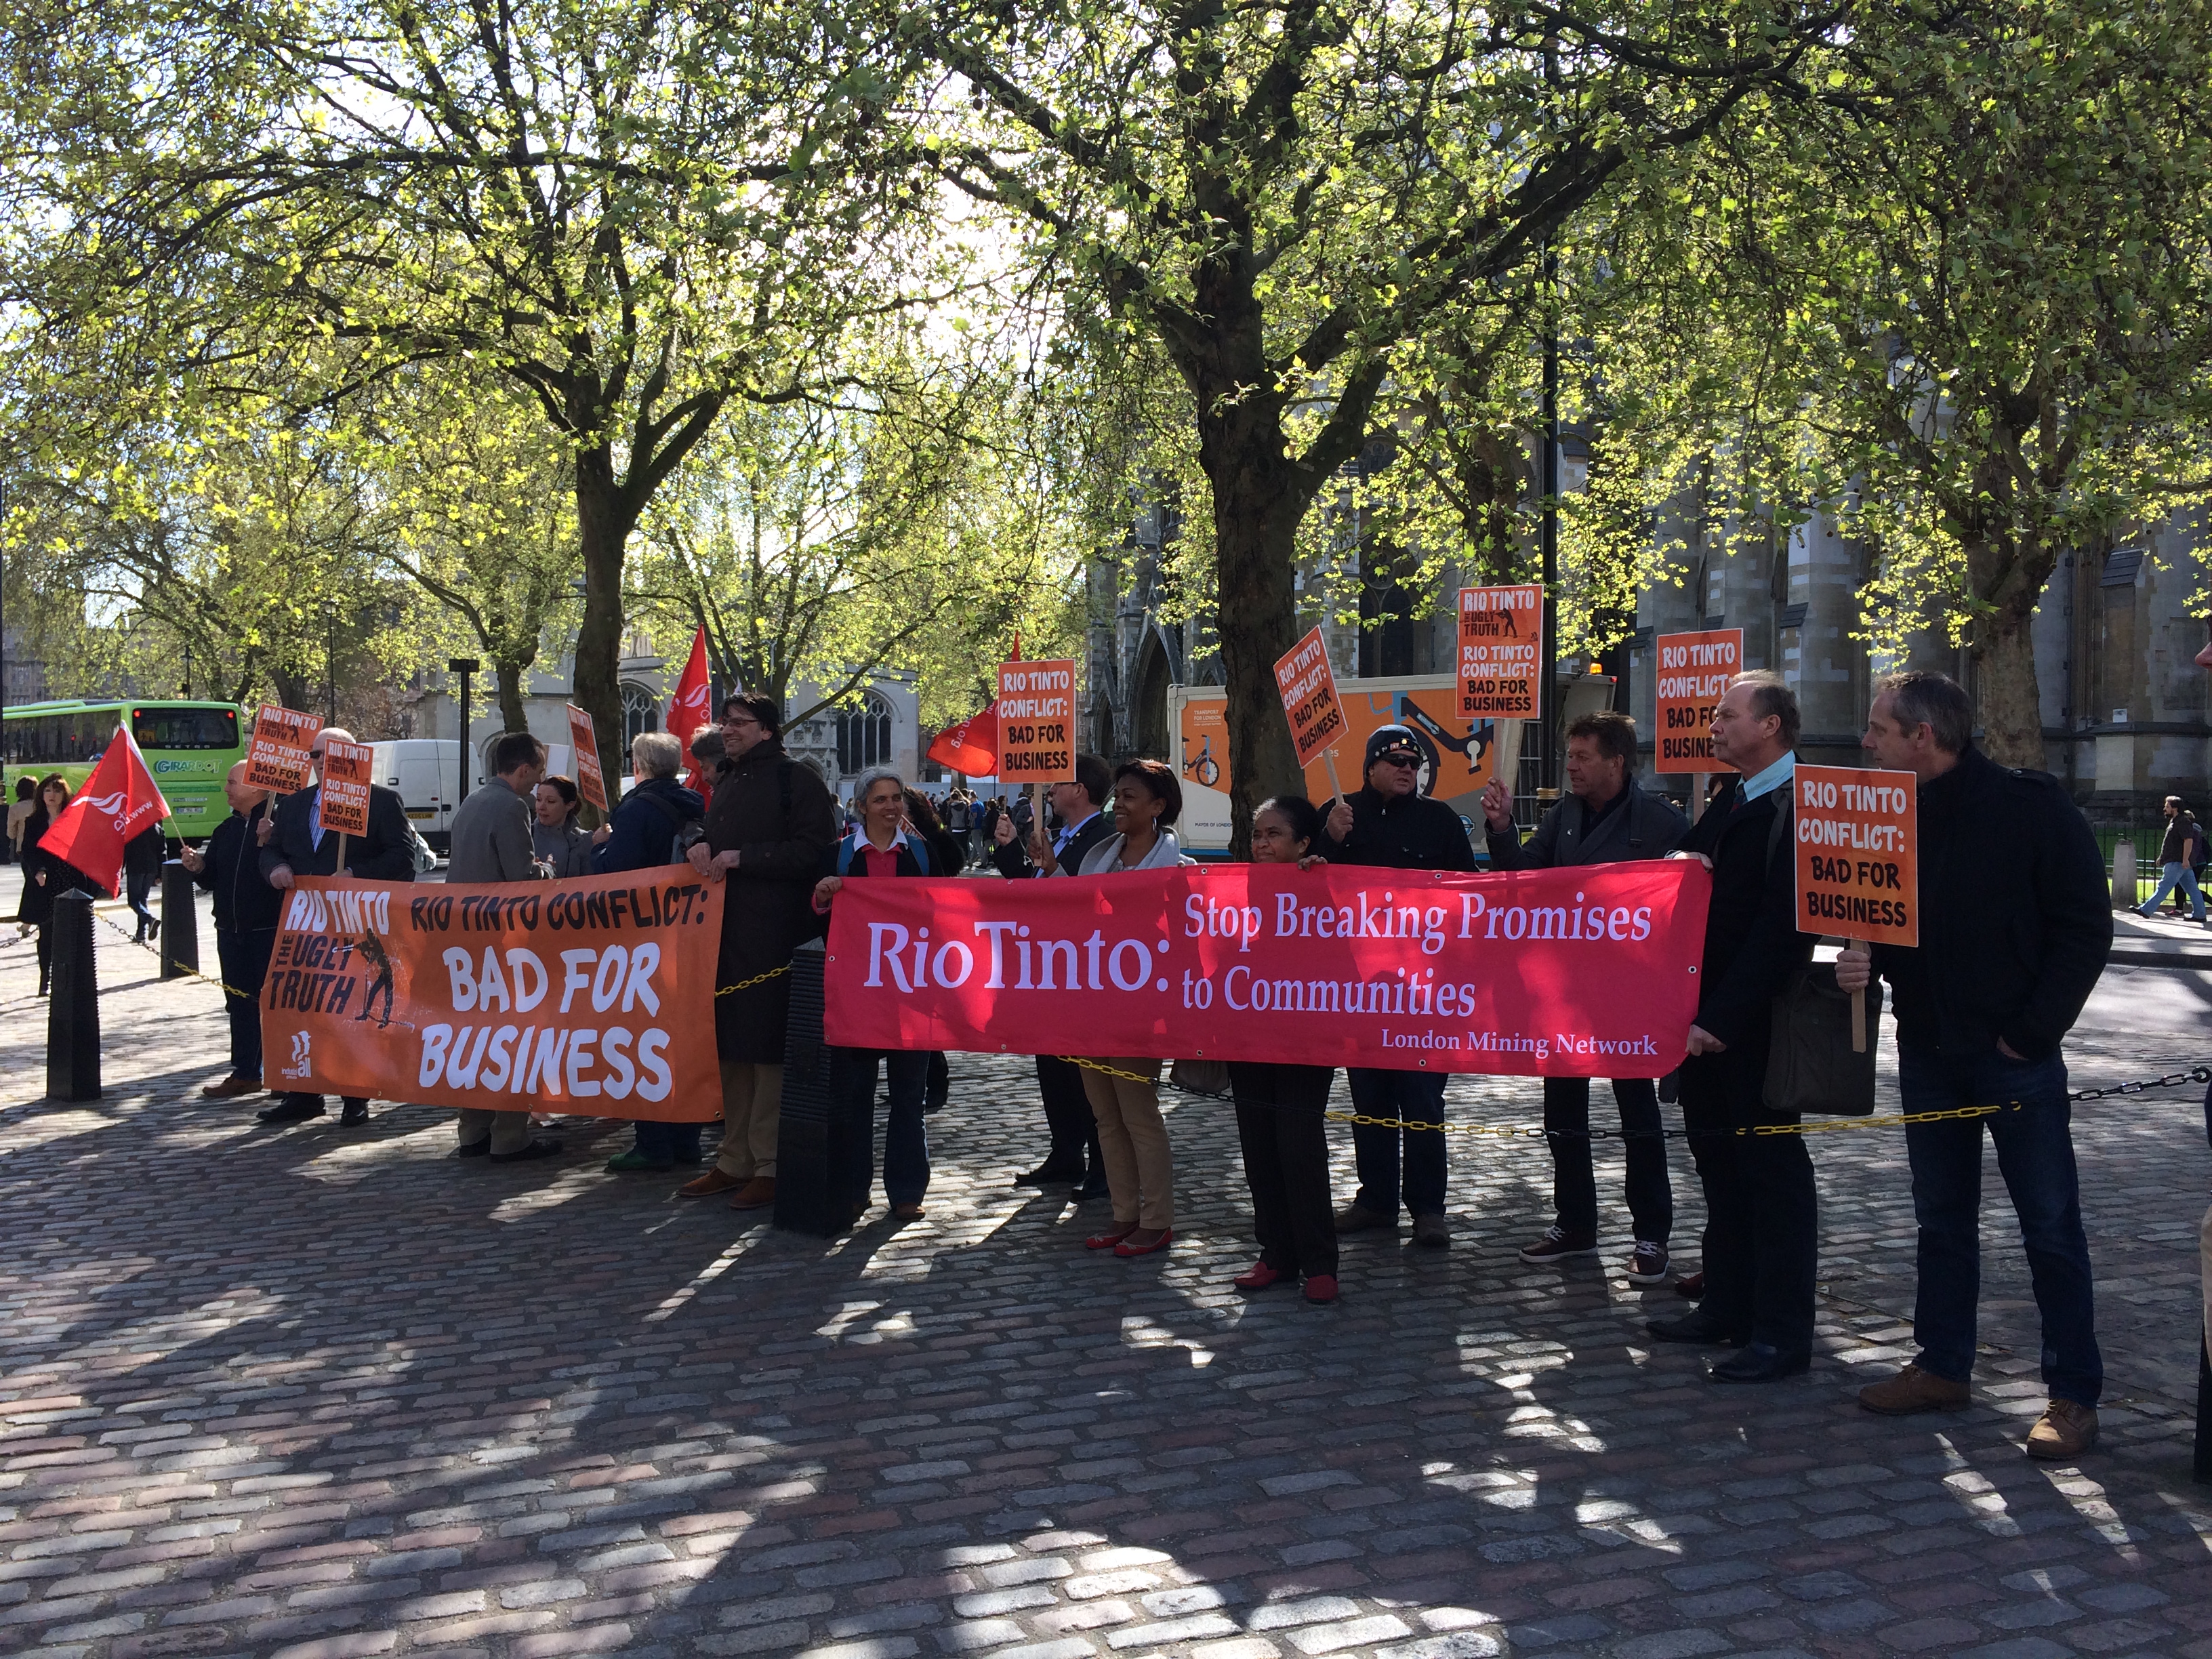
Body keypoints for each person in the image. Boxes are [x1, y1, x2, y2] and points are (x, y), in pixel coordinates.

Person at [1837, 670, 2114, 1458]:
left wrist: (2028, 1035)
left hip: (2013, 1059)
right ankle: (1943, 1365)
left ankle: (2071, 1395)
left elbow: (2085, 931)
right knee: (1941, 1224)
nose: (1867, 741)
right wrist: (1863, 963)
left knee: (2051, 1229)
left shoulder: (2031, 807)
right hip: (1929, 1052)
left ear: (1923, 737)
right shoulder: (1887, 818)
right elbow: (1883, 926)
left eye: (1879, 729)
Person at [1647, 672, 1817, 1383]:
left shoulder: (1800, 803)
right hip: (1705, 1024)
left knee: (1772, 1178)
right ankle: (1727, 1304)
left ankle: (1780, 1333)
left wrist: (1722, 1017)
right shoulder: (1732, 794)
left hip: (1754, 1027)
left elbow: (1783, 928)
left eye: (1727, 716)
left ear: (1771, 725)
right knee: (1719, 1169)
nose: (1713, 725)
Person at [1483, 710, 1687, 1282]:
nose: (1570, 766)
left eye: (1581, 757)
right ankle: (1574, 1223)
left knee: (1638, 1117)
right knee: (1562, 1115)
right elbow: (1523, 881)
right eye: (1569, 756)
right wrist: (1502, 830)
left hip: (1631, 998)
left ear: (1616, 762)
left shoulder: (1661, 823)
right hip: (1567, 998)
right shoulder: (1563, 816)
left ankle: (1651, 1235)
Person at [678, 693, 839, 1213]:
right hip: (725, 937)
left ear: (767, 730)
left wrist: (746, 858)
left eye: (739, 723)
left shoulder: (798, 781)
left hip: (775, 937)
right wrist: (698, 841)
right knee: (731, 1047)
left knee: (769, 1053)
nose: (727, 730)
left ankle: (769, 1164)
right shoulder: (726, 779)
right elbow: (714, 833)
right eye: (724, 722)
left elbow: (814, 849)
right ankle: (733, 1159)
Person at [1319, 724, 1477, 1248]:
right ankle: (1376, 1200)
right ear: (1369, 769)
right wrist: (1329, 841)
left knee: (1424, 1103)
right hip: (1362, 991)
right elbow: (1309, 896)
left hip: (1424, 994)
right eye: (1395, 762)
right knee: (1370, 1100)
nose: (1407, 769)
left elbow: (1471, 899)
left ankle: (1429, 1208)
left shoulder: (1440, 822)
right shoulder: (1340, 816)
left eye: (1413, 763)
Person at [1042, 759, 1192, 1256]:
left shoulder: (1180, 871)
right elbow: (1073, 917)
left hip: (1139, 1010)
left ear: (1158, 807)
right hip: (1093, 1007)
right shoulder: (1098, 858)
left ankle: (1158, 1219)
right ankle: (1124, 1214)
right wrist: (1048, 869)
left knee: (1139, 1115)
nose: (1118, 805)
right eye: (1118, 796)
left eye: (1130, 796)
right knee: (1105, 1117)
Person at [812, 767, 938, 1225]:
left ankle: (907, 1191)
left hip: (911, 995)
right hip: (858, 996)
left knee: (909, 1097)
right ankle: (853, 1188)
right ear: (862, 806)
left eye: (896, 798)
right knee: (855, 1098)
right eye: (881, 799)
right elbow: (815, 921)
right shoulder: (838, 855)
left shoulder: (922, 854)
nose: (890, 807)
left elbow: (944, 914)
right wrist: (823, 898)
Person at [1229, 795, 1340, 1304]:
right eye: (1257, 834)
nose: (1262, 844)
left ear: (1303, 843)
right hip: (1249, 1032)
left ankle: (1319, 1262)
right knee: (1258, 1147)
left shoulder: (1321, 884)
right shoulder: (1235, 888)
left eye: (1274, 834)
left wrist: (1321, 883)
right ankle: (1276, 1252)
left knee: (1298, 1146)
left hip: (1304, 1037)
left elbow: (1343, 948)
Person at [994, 754, 1117, 1199]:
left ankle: (1105, 1165)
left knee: (1089, 1081)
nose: (1049, 792)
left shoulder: (1105, 840)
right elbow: (1032, 892)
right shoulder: (1060, 836)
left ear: (1079, 790)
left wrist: (1051, 869)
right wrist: (1005, 849)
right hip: (1050, 973)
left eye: (1058, 784)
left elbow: (1087, 900)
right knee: (1055, 1073)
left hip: (1083, 975)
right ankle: (1066, 1153)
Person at [442, 731, 564, 1162]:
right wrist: (547, 871)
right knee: (512, 1037)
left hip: (467, 940)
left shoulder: (472, 802)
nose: (541, 780)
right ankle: (509, 1136)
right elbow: (520, 877)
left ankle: (472, 1130)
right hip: (502, 942)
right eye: (539, 770)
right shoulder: (512, 806)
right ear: (524, 768)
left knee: (476, 1036)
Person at [592, 732, 708, 1172]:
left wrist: (599, 848)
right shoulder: (694, 804)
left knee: (644, 1040)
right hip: (688, 936)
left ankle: (652, 1142)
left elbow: (617, 871)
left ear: (639, 764)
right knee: (682, 1041)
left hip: (643, 941)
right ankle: (687, 1139)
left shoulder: (638, 810)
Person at [181, 762, 282, 1098]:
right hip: (230, 929)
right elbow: (213, 878)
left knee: (269, 1002)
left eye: (231, 783)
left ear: (256, 788)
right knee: (238, 1002)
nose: (225, 789)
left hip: (267, 929)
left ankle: (280, 1072)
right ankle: (246, 1070)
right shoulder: (226, 829)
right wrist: (199, 866)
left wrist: (271, 839)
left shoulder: (276, 824)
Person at [19, 775, 96, 998]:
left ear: (64, 795)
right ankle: (46, 978)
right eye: (48, 791)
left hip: (71, 878)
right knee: (47, 933)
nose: (52, 796)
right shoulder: (34, 822)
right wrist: (38, 870)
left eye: (57, 791)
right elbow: (29, 851)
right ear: (41, 795)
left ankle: (73, 978)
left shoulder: (73, 818)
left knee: (75, 932)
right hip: (46, 882)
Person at [2134, 795, 2205, 923]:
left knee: (2164, 887)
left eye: (2167, 806)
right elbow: (2171, 843)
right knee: (2192, 889)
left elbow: (2188, 841)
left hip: (2177, 862)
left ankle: (2146, 910)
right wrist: (2162, 857)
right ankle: (2200, 915)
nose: (2164, 809)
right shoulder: (2176, 821)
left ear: (2175, 808)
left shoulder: (2182, 822)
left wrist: (2185, 859)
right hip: (2178, 861)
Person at [531, 775, 596, 877]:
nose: (541, 807)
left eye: (550, 801)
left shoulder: (585, 840)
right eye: (539, 799)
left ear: (570, 805)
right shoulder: (526, 835)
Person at [122, 823, 165, 943]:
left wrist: (121, 868)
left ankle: (150, 919)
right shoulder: (157, 828)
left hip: (136, 867)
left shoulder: (133, 827)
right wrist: (160, 873)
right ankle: (141, 934)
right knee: (142, 900)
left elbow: (126, 850)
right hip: (151, 868)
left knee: (134, 901)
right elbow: (162, 851)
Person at [5, 775, 35, 867]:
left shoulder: (15, 808)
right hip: (41, 844)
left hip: (23, 846)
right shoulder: (41, 805)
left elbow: (11, 833)